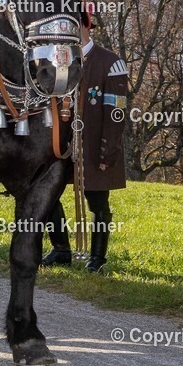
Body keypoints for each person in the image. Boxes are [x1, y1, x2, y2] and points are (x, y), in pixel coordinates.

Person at [42, 18, 129, 273]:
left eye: (73, 26)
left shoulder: (111, 64)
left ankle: (97, 259)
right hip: (61, 146)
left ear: (86, 27)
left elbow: (116, 114)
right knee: (47, 195)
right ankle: (61, 250)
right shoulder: (57, 61)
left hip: (93, 145)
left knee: (97, 203)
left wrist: (107, 152)